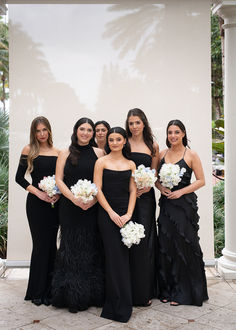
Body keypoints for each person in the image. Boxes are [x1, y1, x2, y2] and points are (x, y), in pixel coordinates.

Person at [51, 117, 104, 313]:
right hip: (69, 207)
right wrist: (74, 199)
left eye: (89, 130)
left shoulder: (99, 152)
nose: (86, 133)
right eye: (82, 129)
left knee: (90, 247)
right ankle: (69, 294)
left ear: (93, 133)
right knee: (70, 248)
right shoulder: (65, 152)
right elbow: (59, 179)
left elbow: (102, 180)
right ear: (76, 131)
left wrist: (94, 200)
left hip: (92, 207)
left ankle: (91, 293)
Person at [156, 119, 209, 306]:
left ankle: (184, 292)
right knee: (166, 244)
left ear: (183, 134)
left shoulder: (191, 154)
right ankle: (167, 290)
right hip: (167, 206)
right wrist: (161, 188)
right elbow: (154, 178)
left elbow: (201, 180)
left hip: (184, 207)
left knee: (184, 245)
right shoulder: (162, 153)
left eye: (176, 132)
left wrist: (181, 191)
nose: (173, 136)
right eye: (170, 132)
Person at [15, 116, 60, 306]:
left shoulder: (58, 152)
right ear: (33, 133)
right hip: (36, 204)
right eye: (38, 131)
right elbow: (20, 178)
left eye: (44, 130)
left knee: (52, 246)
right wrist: (39, 194)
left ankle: (51, 290)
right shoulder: (29, 150)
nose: (41, 134)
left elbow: (61, 179)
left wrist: (57, 194)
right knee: (40, 246)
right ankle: (37, 291)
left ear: (49, 131)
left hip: (55, 203)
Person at [94, 127, 136, 323]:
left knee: (123, 258)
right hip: (107, 214)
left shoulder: (131, 164)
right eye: (111, 139)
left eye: (118, 139)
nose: (114, 142)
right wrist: (111, 213)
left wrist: (128, 214)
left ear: (124, 141)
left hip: (125, 215)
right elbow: (97, 190)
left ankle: (125, 304)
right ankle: (112, 305)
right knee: (112, 258)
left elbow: (133, 191)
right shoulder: (101, 162)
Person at [125, 108, 159, 307]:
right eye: (131, 123)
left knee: (145, 241)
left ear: (144, 123)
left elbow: (153, 173)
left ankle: (145, 289)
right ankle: (128, 287)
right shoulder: (124, 143)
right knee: (127, 240)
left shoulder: (152, 145)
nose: (134, 126)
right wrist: (131, 190)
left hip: (146, 199)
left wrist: (145, 187)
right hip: (127, 197)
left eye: (137, 122)